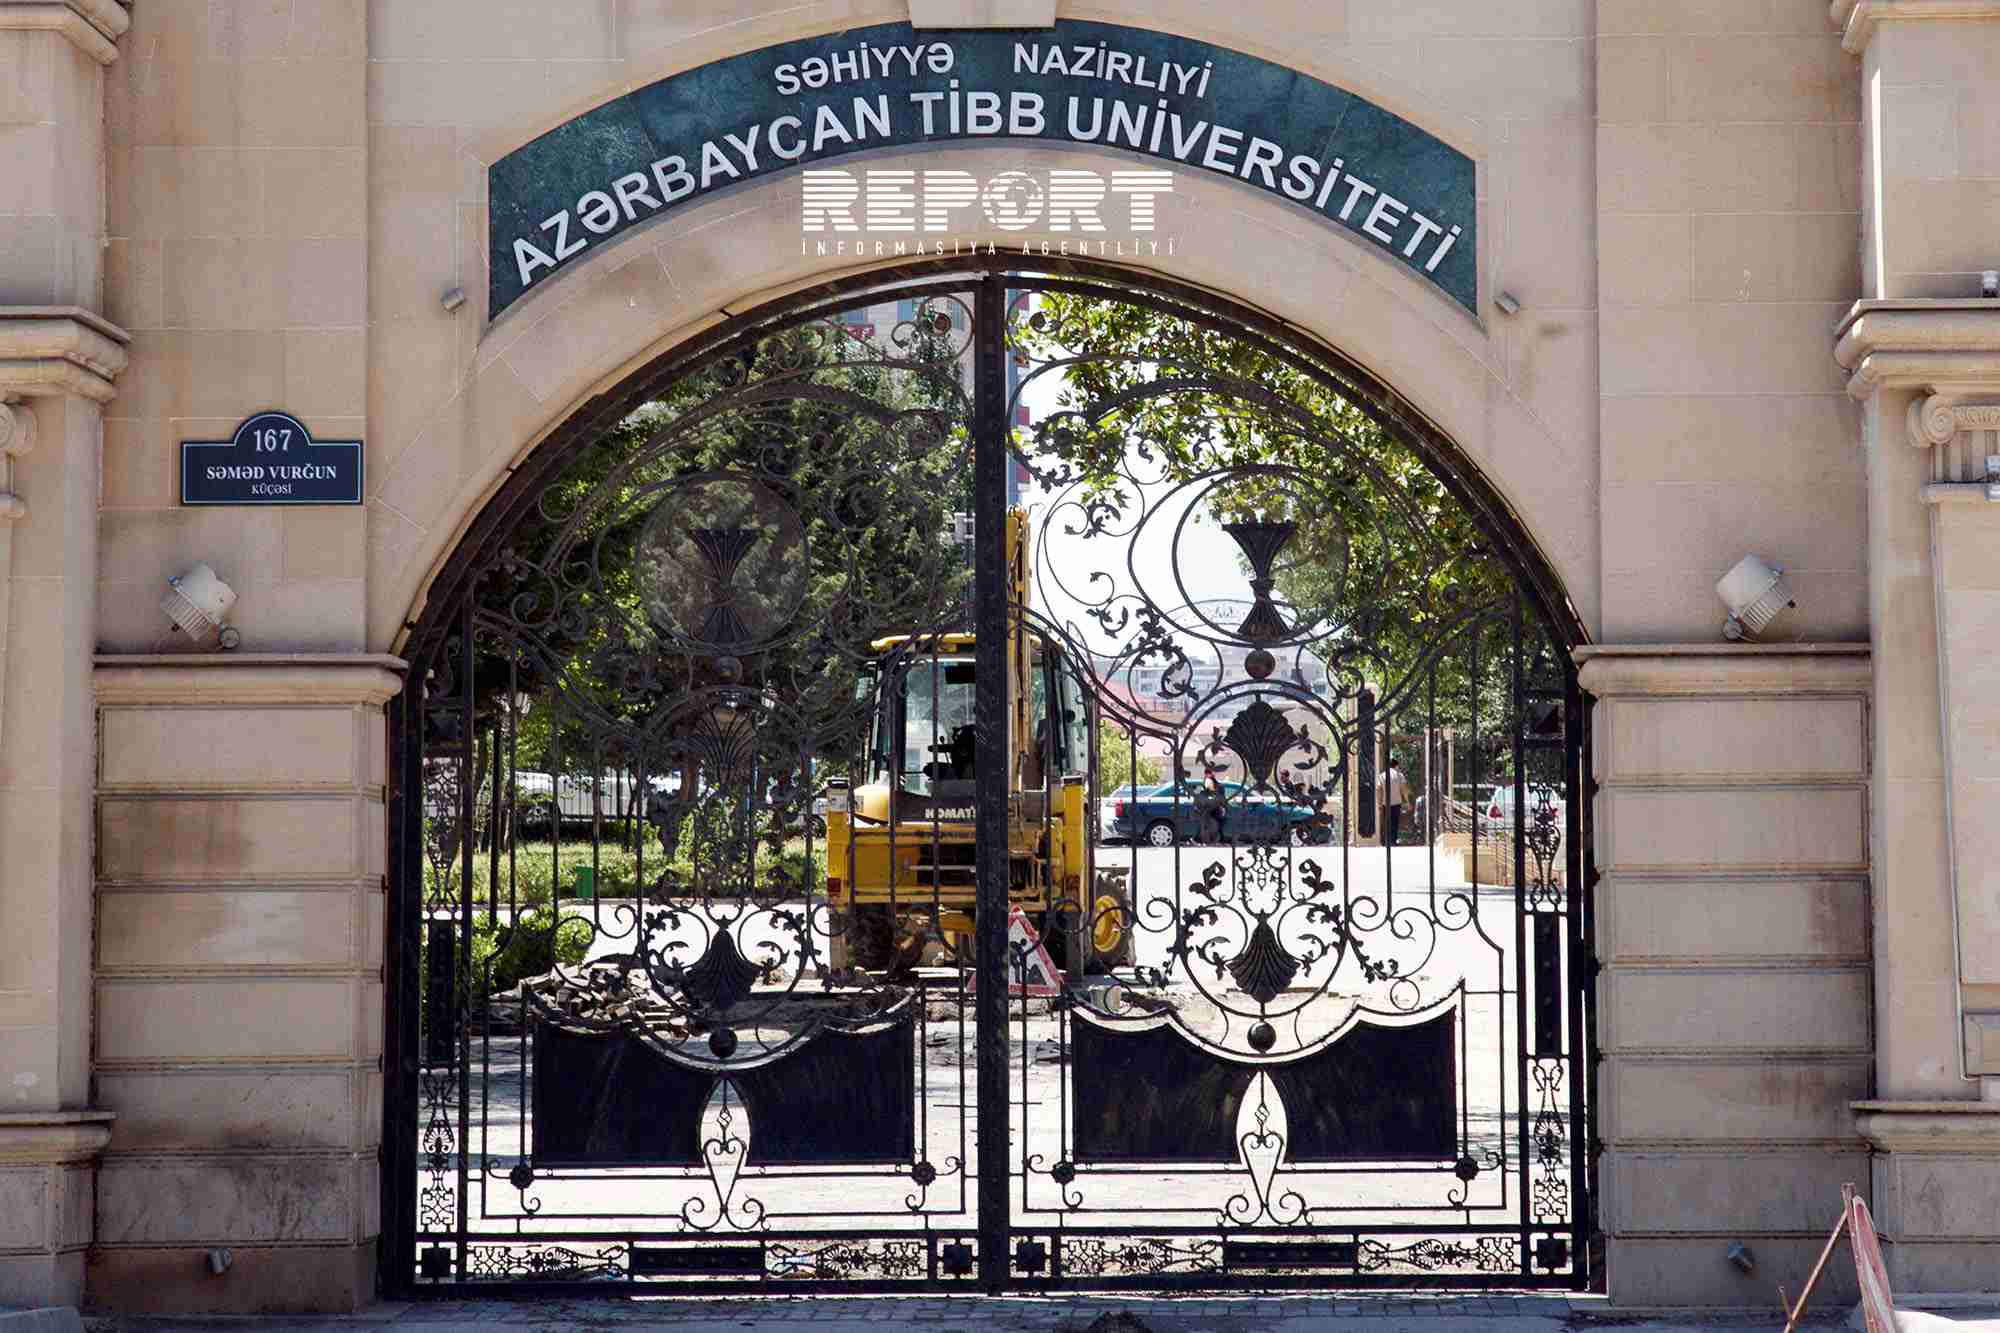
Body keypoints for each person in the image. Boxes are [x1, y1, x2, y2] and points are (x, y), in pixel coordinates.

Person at [1384, 756, 1408, 848]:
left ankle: (1387, 841)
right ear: (1396, 766)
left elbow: (1378, 789)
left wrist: (1379, 802)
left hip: (1385, 803)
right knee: (1395, 822)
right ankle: (1393, 841)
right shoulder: (1400, 775)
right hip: (1396, 802)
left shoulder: (1382, 775)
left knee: (1387, 822)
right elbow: (1403, 789)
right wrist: (1407, 801)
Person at [1199, 772, 1228, 844]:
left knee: (1216, 824)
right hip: (1211, 808)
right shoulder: (1210, 785)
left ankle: (1218, 839)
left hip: (1215, 809)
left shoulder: (1217, 786)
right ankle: (1216, 839)